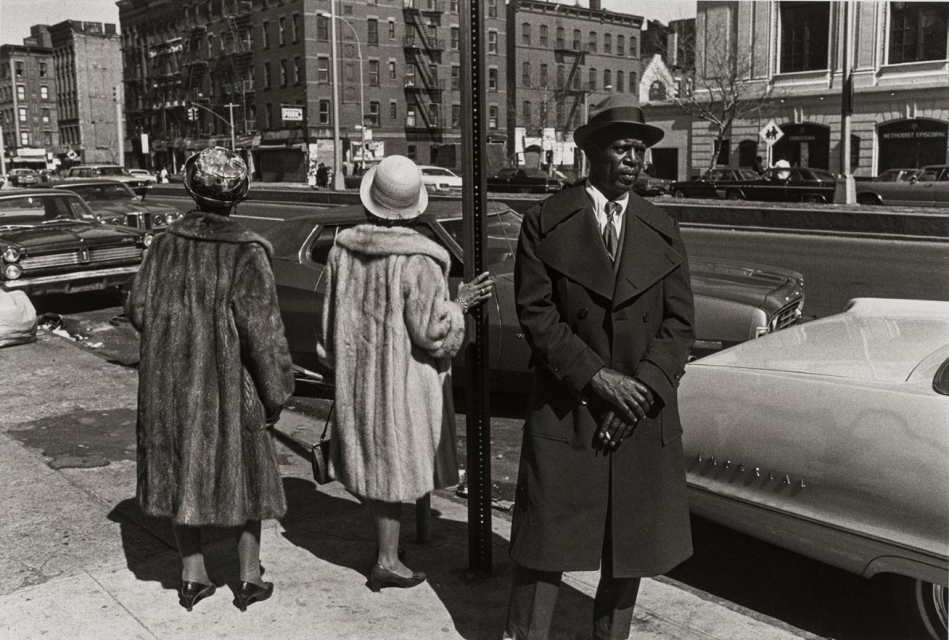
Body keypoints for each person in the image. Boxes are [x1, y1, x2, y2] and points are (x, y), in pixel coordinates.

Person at [504, 94, 696, 640]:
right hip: (569, 408)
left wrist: (641, 392)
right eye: (621, 148)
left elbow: (680, 326)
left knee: (628, 547)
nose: (633, 160)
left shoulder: (663, 228)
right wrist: (598, 379)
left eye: (639, 149)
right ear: (592, 152)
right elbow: (536, 316)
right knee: (544, 543)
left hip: (637, 414)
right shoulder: (545, 222)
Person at [127, 147, 295, 613]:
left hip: (170, 383)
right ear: (240, 196)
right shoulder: (246, 250)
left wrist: (175, 340)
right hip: (229, 387)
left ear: (190, 189)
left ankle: (193, 575)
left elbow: (138, 309)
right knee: (250, 477)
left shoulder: (163, 244)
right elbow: (263, 333)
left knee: (180, 469)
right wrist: (277, 391)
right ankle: (249, 578)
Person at [318, 155, 494, 592]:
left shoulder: (343, 251)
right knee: (395, 466)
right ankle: (387, 560)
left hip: (358, 382)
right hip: (404, 387)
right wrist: (461, 305)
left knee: (373, 464)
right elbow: (433, 332)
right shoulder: (419, 261)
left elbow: (327, 333)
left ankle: (389, 549)